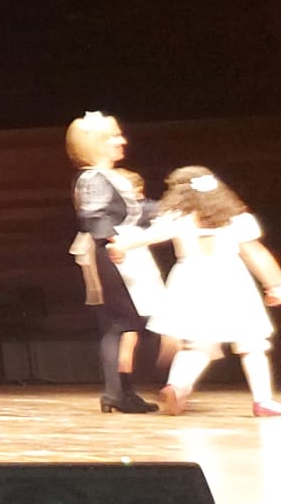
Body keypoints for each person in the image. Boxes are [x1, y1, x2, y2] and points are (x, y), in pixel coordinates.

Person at [120, 167, 281, 417]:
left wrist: (122, 245)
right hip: (231, 281)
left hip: (191, 281)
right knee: (252, 343)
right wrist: (274, 285)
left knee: (198, 345)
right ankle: (263, 400)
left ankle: (177, 385)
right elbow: (255, 253)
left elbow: (150, 236)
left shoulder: (177, 218)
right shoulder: (236, 219)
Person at [67, 111, 158, 414]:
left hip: (120, 248)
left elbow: (135, 212)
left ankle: (121, 391)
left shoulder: (108, 176)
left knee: (127, 324)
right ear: (94, 144)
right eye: (113, 136)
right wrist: (112, 242)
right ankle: (117, 392)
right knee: (120, 324)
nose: (122, 140)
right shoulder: (93, 178)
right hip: (112, 250)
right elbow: (94, 215)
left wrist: (174, 208)